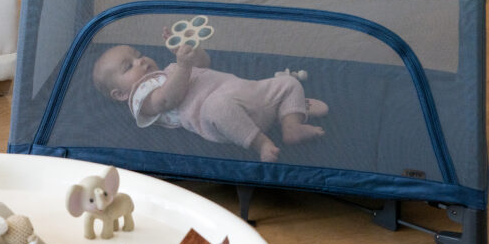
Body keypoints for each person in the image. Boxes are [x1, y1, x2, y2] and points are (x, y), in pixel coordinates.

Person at [93, 37, 329, 163]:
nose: (141, 61)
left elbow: (204, 64)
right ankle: (261, 142)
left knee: (288, 83)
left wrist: (191, 52)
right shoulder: (142, 97)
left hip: (247, 93)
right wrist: (183, 66)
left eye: (138, 55)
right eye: (129, 66)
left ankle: (291, 126)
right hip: (224, 118)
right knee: (218, 107)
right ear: (121, 94)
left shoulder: (170, 69)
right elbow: (167, 100)